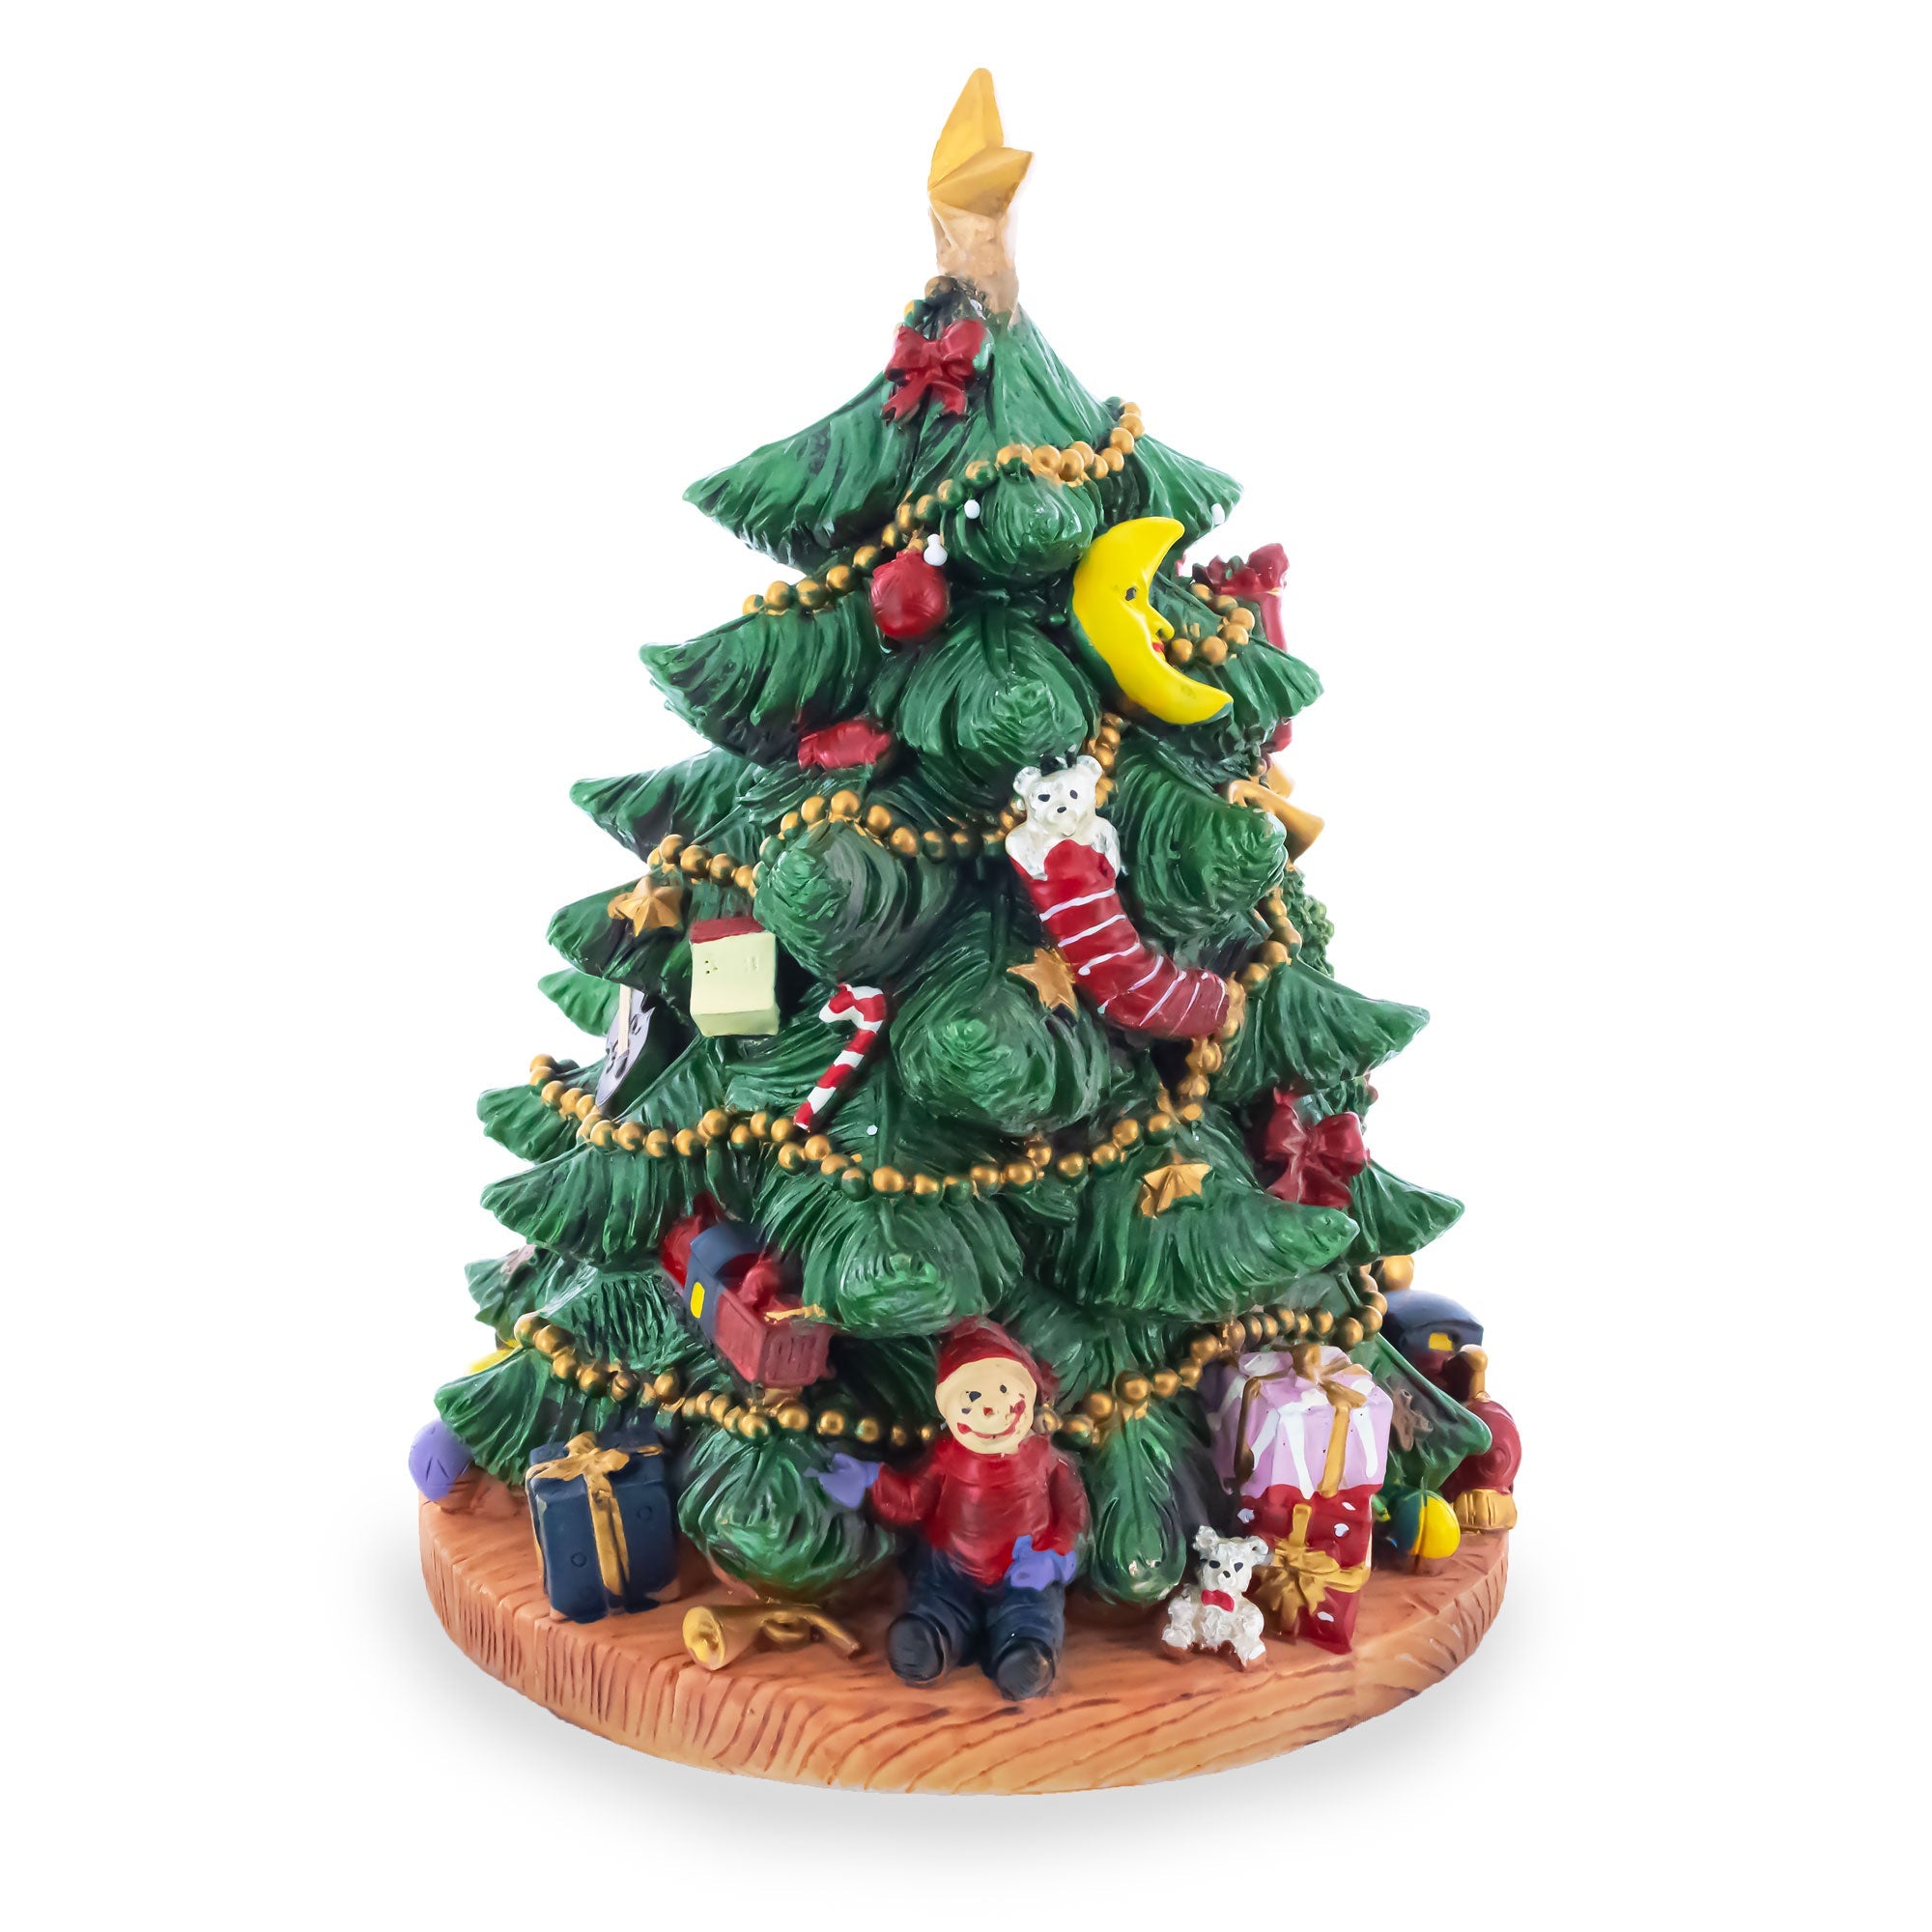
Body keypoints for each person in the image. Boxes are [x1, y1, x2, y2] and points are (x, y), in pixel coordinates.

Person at [813, 1318, 1088, 1699]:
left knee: (1033, 1615)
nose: (990, 1409)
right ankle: (929, 1640)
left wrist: (1054, 1559)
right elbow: (912, 1502)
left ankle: (1025, 1654)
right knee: (937, 1605)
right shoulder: (944, 1458)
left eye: (1004, 1390)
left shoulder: (1049, 1463)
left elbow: (1074, 1519)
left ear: (1028, 1396)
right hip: (951, 1569)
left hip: (1023, 1572)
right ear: (949, 1411)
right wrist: (872, 1479)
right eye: (972, 1397)